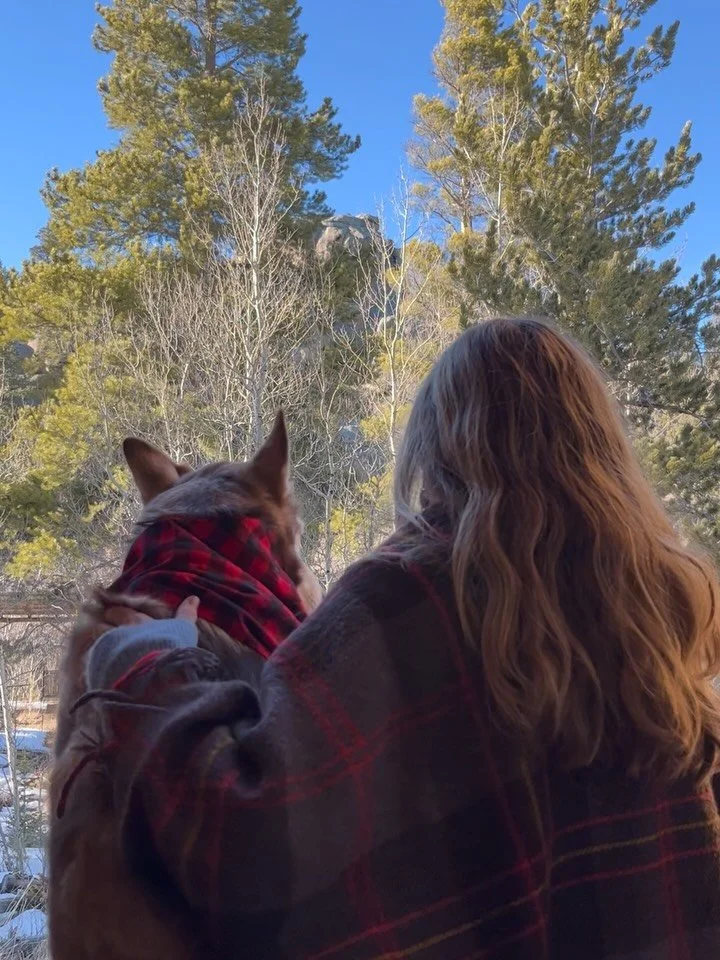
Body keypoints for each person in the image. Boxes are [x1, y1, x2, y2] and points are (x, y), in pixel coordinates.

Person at [82, 317, 720, 958]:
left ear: (435, 448)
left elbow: (246, 839)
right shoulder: (667, 618)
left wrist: (146, 656)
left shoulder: (396, 600)